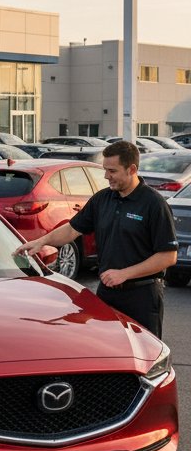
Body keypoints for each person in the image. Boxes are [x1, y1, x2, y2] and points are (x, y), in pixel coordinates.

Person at [14, 139, 177, 337]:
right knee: (107, 349)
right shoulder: (102, 199)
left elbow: (168, 257)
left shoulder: (154, 204)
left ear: (132, 169)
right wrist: (41, 241)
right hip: (107, 292)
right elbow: (72, 229)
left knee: (144, 354)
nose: (107, 176)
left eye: (113, 171)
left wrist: (124, 273)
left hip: (142, 296)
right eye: (105, 170)